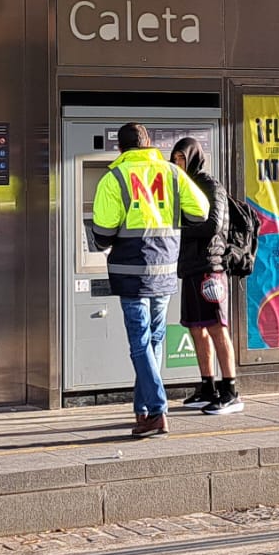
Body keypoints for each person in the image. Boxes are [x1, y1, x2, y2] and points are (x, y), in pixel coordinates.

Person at [90, 122, 209, 438]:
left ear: (121, 149)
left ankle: (157, 410)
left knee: (140, 341)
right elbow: (201, 211)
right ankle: (143, 410)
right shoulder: (172, 174)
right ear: (149, 144)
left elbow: (102, 233)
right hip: (166, 267)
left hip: (131, 273)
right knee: (154, 337)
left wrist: (111, 239)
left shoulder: (114, 178)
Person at [172, 137, 243, 416]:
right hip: (190, 266)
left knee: (216, 326)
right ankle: (208, 386)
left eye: (180, 158)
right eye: (174, 159)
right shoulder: (183, 186)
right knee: (195, 327)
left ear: (192, 157)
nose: (176, 163)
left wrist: (177, 228)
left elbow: (213, 224)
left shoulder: (209, 185)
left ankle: (231, 390)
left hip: (210, 267)